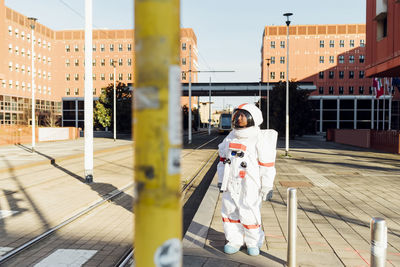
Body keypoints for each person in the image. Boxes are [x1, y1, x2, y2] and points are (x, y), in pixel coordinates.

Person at [217, 103, 277, 256]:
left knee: (249, 212)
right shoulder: (231, 136)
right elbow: (223, 160)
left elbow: (267, 165)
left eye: (243, 116)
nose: (239, 118)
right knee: (230, 211)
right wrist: (220, 178)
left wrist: (267, 186)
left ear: (253, 118)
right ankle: (234, 240)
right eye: (237, 115)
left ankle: (253, 242)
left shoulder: (259, 138)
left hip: (250, 182)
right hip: (231, 182)